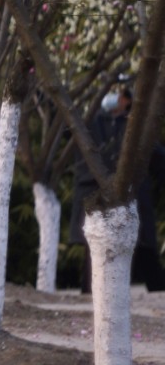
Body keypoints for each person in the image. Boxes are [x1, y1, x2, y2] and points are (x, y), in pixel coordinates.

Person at [70, 83, 165, 293]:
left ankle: (158, 292)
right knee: (95, 249)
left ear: (128, 100)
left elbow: (157, 157)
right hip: (97, 198)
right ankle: (90, 296)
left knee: (143, 248)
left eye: (121, 95)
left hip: (132, 198)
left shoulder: (135, 125)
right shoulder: (89, 123)